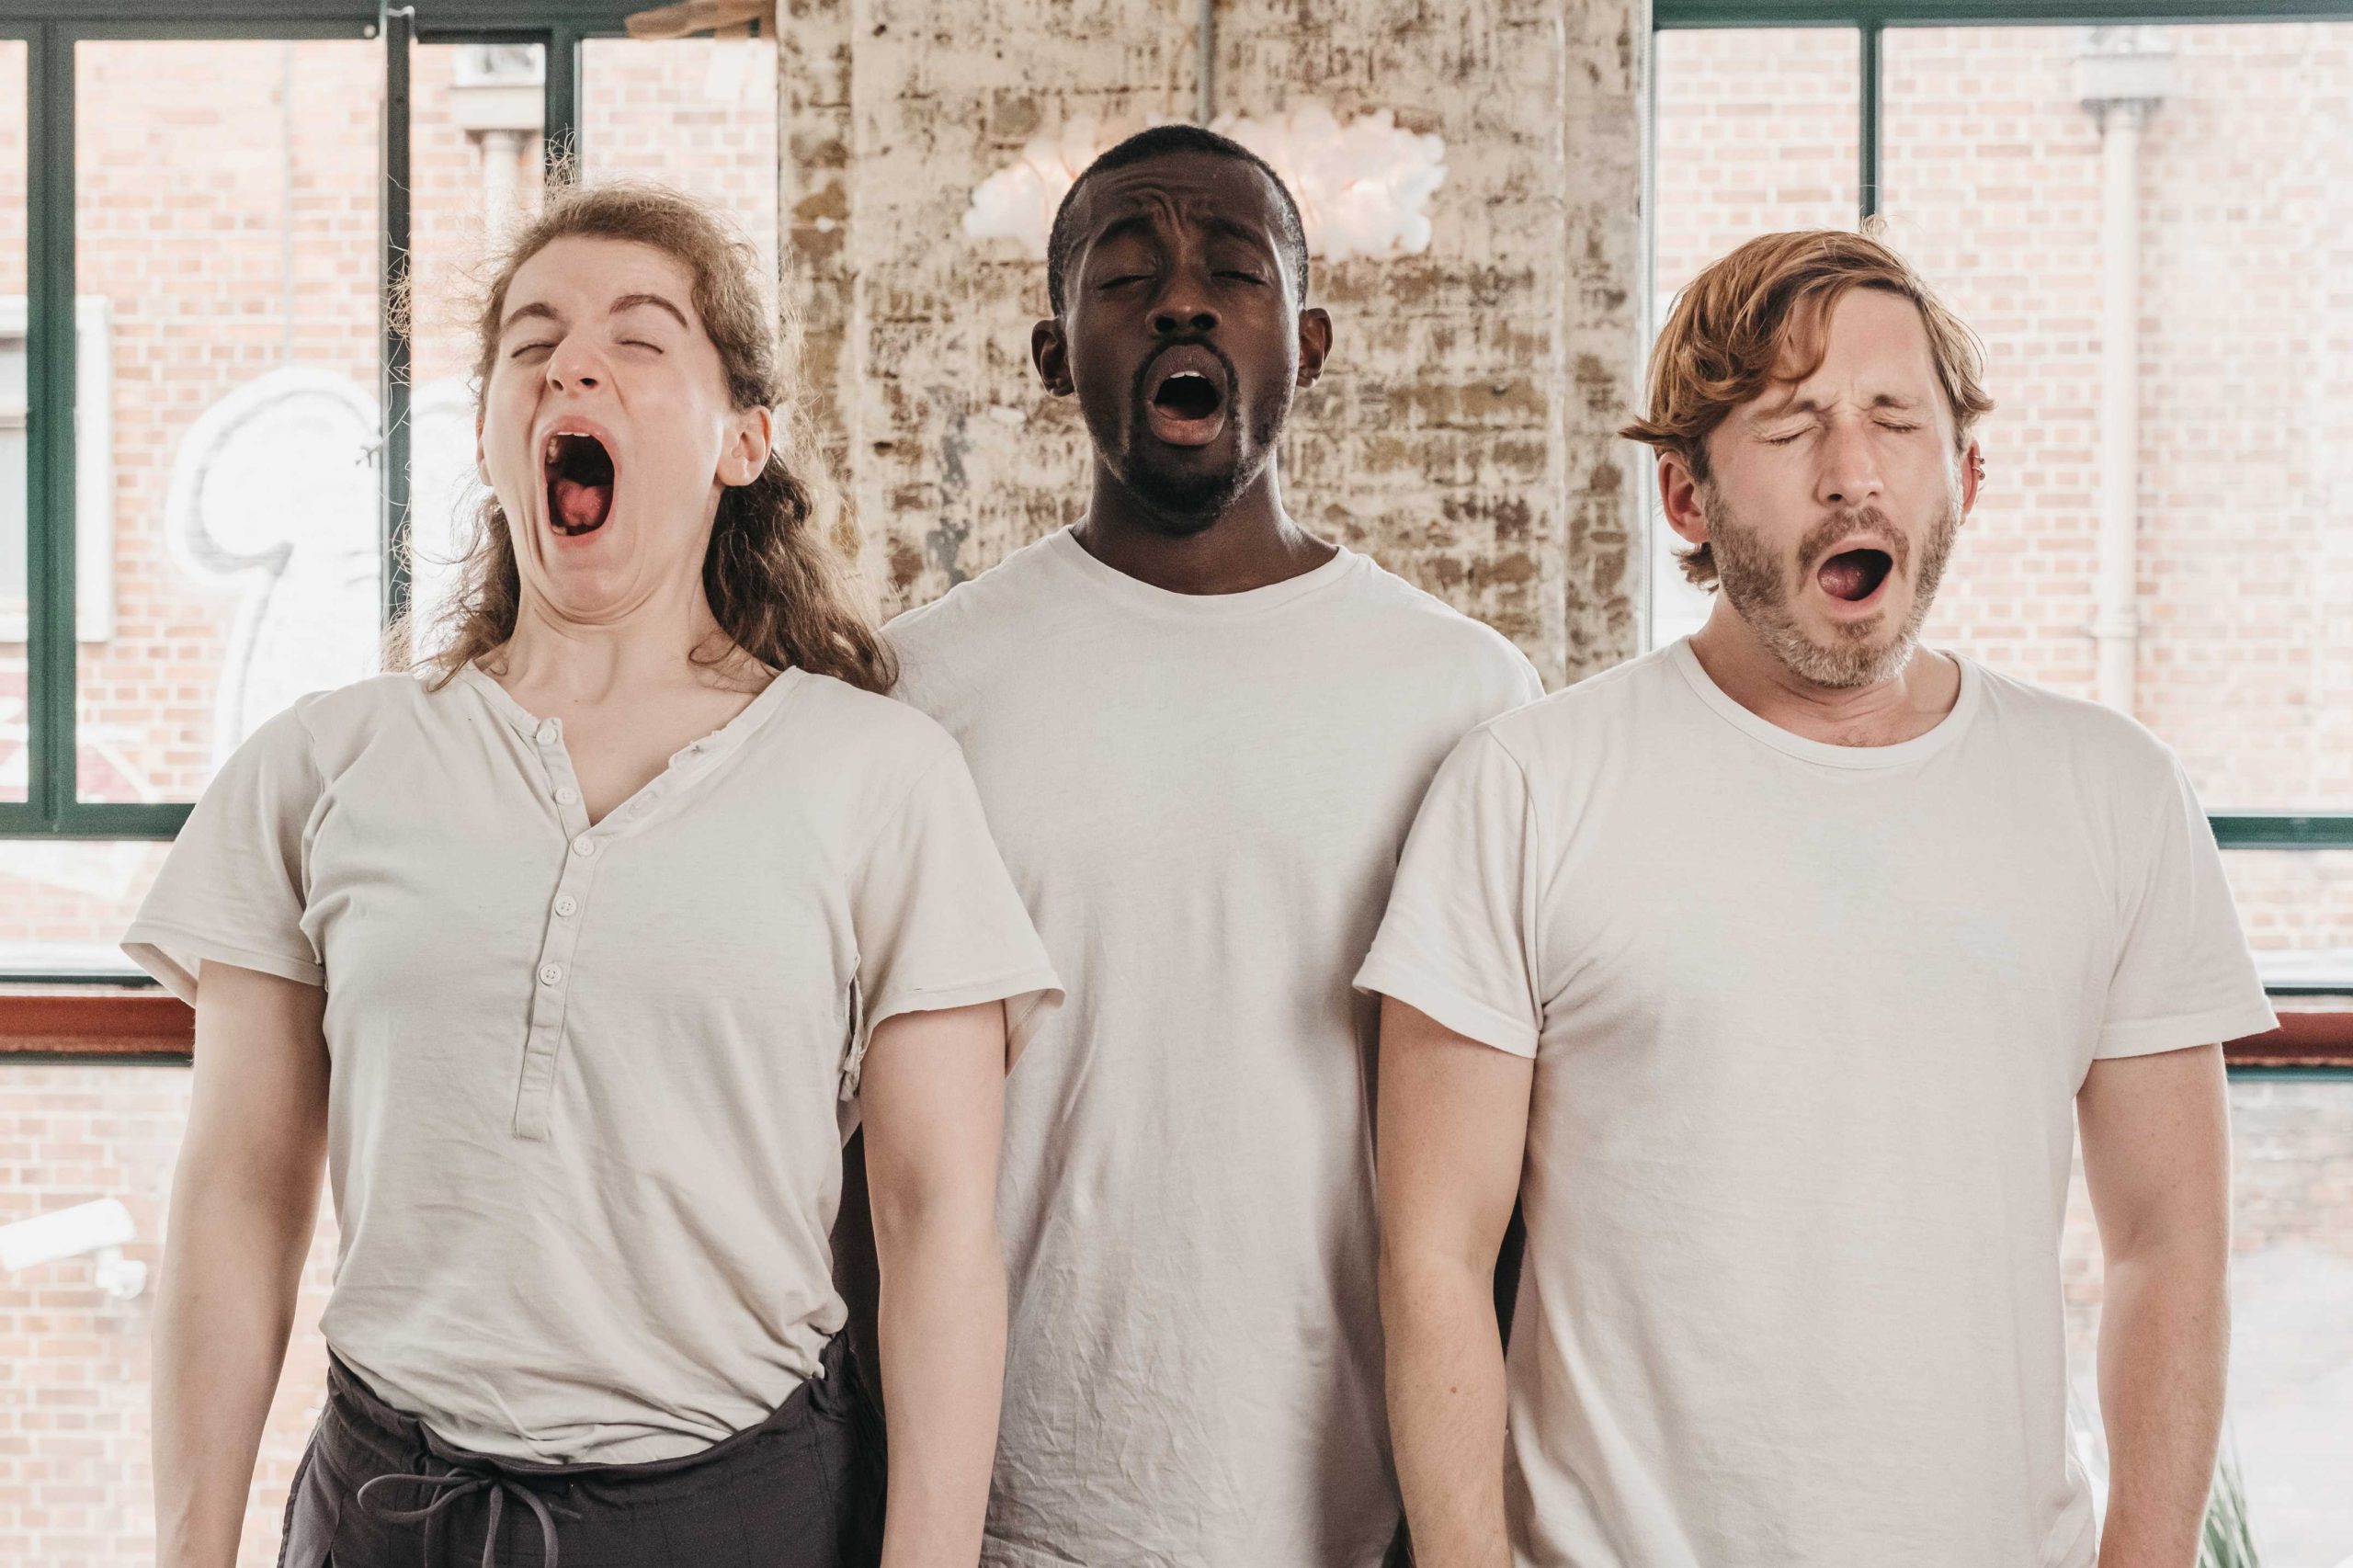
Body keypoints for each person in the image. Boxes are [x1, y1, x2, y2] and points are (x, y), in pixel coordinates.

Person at [133, 181, 1058, 1568]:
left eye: (639, 339)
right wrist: (190, 1552)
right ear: (498, 433)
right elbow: (237, 1192)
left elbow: (933, 1226)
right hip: (388, 1513)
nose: (572, 362)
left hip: (741, 1514)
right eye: (530, 341)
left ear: (743, 438)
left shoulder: (882, 776)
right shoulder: (324, 766)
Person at [1365, 228, 2275, 1568]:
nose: (1854, 473)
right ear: (1684, 493)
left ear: (1964, 473)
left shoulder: (2115, 794)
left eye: (1896, 421)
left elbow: (2168, 1248)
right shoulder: (1528, 785)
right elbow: (1435, 1252)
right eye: (1793, 429)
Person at [884, 125, 1546, 1568]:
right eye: (1124, 277)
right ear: (1055, 353)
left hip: (1352, 1511)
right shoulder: (917, 694)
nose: (1182, 301)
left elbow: (1515, 1181)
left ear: (1308, 340)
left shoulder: (1465, 700)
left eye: (1233, 273)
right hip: (1007, 1507)